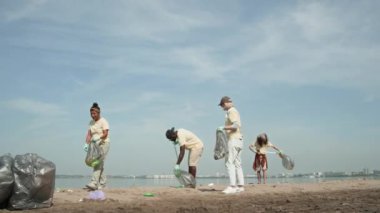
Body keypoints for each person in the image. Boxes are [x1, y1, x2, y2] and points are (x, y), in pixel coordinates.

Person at [218, 96, 245, 194]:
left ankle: (232, 186)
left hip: (233, 139)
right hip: (239, 139)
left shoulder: (231, 111)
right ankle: (240, 186)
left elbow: (236, 125)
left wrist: (223, 128)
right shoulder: (234, 111)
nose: (222, 108)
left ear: (225, 103)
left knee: (229, 162)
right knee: (237, 163)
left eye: (222, 105)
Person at [85, 102, 110, 190]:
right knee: (100, 164)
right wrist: (86, 144)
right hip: (94, 145)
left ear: (98, 113)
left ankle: (94, 182)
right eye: (91, 113)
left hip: (104, 144)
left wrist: (99, 138)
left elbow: (106, 134)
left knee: (97, 162)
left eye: (94, 113)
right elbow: (89, 134)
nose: (93, 115)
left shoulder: (103, 121)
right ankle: (103, 184)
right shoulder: (91, 122)